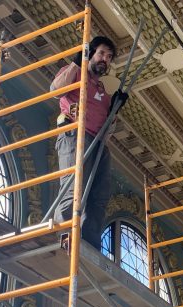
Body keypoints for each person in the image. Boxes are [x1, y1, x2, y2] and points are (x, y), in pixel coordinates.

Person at [51, 36, 116, 251]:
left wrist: (115, 111)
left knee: (99, 197)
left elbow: (107, 133)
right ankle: (63, 237)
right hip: (75, 135)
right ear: (91, 53)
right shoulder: (76, 73)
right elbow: (55, 90)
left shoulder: (104, 94)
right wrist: (75, 63)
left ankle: (89, 246)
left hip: (98, 144)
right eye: (101, 54)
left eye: (109, 57)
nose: (105, 60)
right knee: (72, 190)